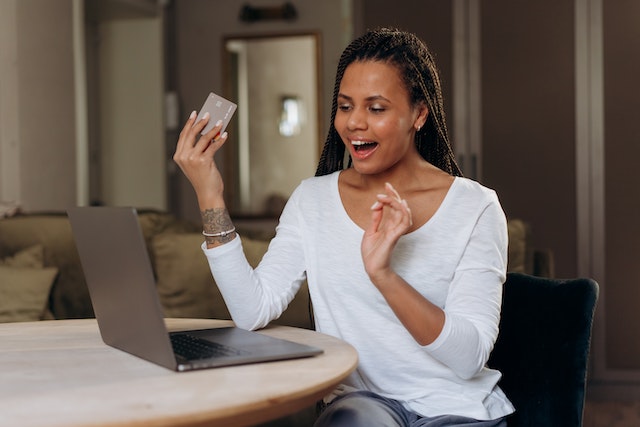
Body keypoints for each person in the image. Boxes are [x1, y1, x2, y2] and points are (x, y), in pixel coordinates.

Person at [174, 27, 514, 427]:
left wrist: (383, 275)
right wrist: (210, 197)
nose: (355, 124)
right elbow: (252, 310)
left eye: (376, 108)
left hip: (456, 409)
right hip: (364, 406)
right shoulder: (312, 200)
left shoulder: (475, 206)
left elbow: (469, 356)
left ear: (419, 114)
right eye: (345, 106)